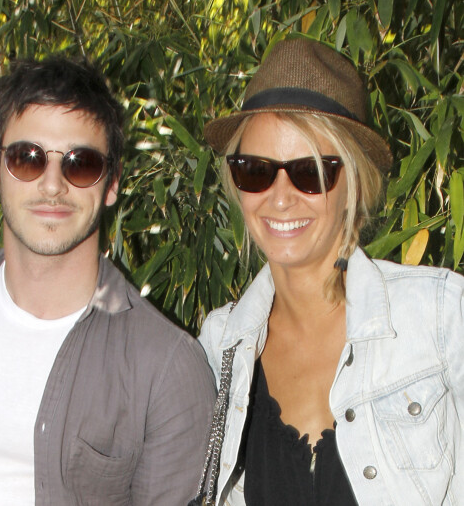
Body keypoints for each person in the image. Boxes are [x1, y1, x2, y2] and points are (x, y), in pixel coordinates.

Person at [0, 56, 215, 505]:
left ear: (112, 182)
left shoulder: (166, 368)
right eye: (28, 159)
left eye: (80, 164)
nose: (53, 184)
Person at [197, 37, 464, 505]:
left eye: (309, 171)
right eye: (256, 171)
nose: (280, 197)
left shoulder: (441, 318)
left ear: (354, 181)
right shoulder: (221, 345)